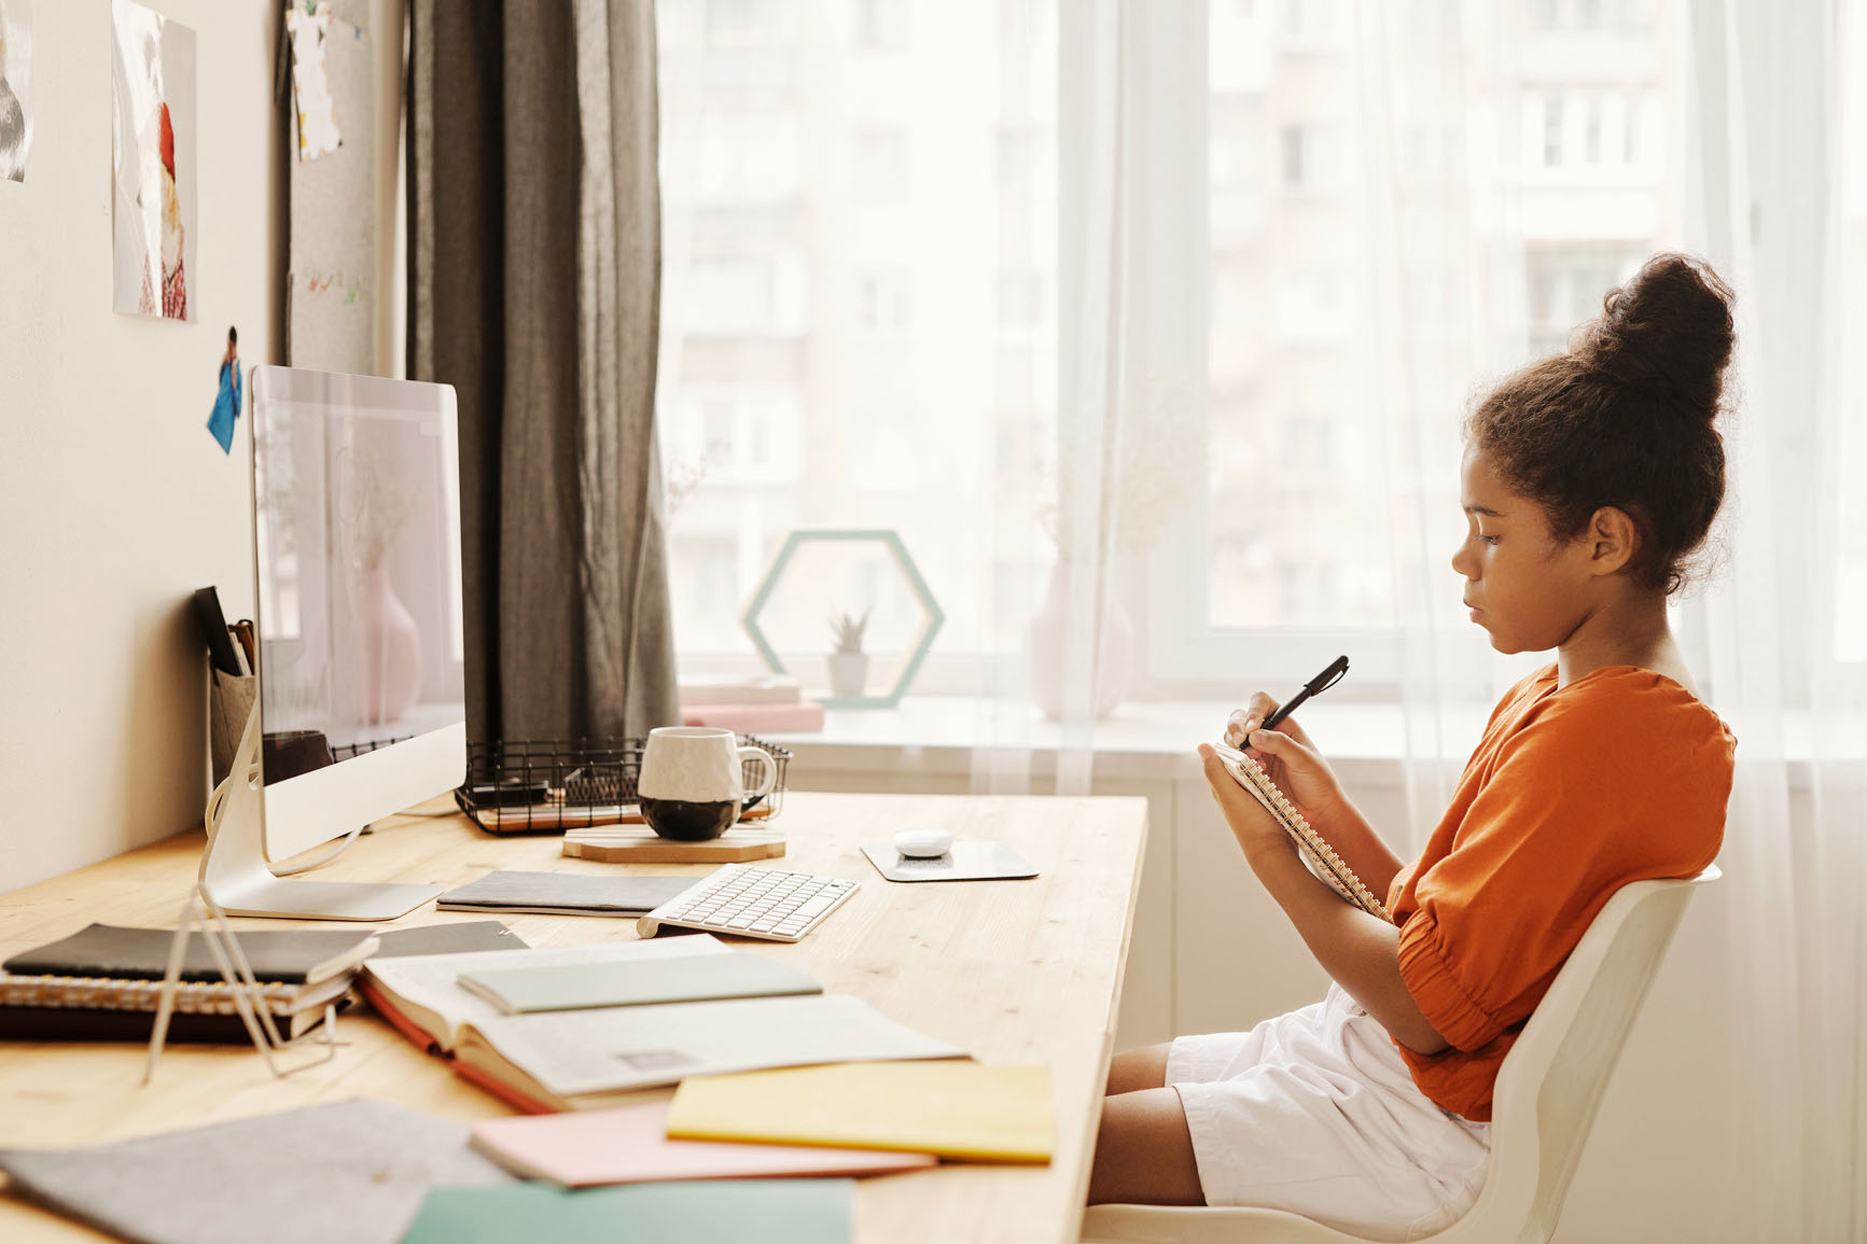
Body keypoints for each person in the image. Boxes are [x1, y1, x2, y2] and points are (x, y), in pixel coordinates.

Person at [1087, 253, 1739, 1240]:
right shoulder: (1577, 701)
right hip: (1369, 1071)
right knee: (1055, 1080)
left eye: (1489, 533)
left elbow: (1429, 1008)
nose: (1459, 561)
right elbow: (1445, 945)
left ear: (1602, 541)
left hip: (1405, 1124)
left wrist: (1272, 855)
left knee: (1038, 1137)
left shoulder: (1614, 735)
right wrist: (1318, 806)